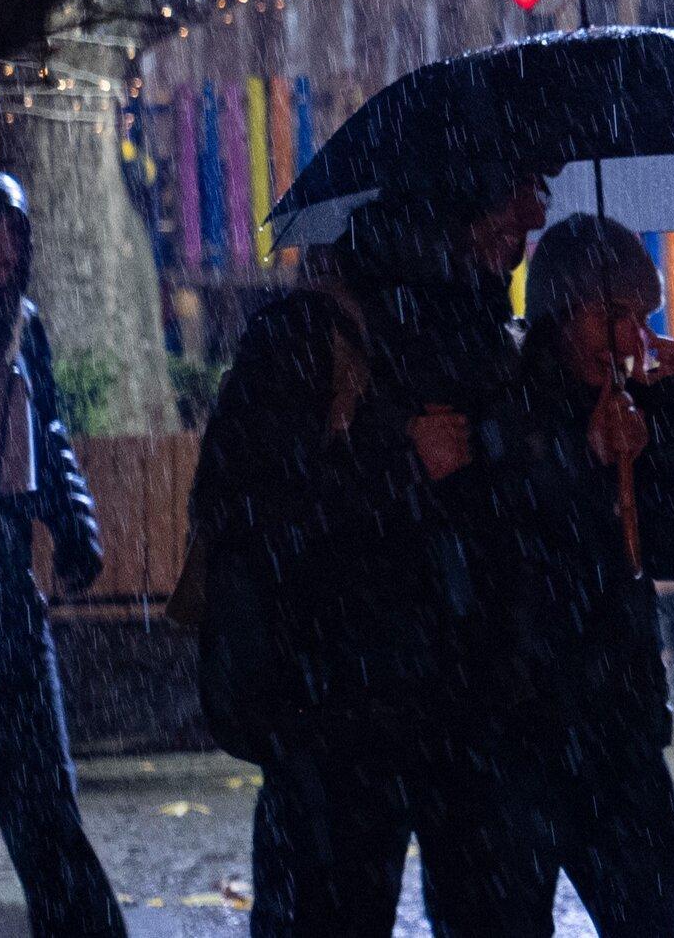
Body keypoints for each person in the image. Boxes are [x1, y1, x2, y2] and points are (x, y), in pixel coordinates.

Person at [183, 167, 554, 938]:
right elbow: (246, 512)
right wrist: (399, 466)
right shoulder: (309, 335)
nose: (534, 214)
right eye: (513, 193)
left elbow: (509, 526)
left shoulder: (486, 339)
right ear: (452, 216)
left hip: (469, 710)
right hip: (338, 719)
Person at [511, 214, 674, 937]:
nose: (628, 338)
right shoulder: (510, 401)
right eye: (611, 316)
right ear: (559, 312)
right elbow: (505, 539)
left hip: (618, 728)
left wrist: (671, 417)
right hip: (523, 734)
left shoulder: (630, 402)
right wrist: (579, 460)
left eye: (641, 318)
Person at [0, 167, 127, 938]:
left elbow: (46, 433)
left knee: (44, 806)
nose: (2, 248)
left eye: (12, 233)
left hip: (5, 594)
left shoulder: (22, 323)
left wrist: (73, 525)